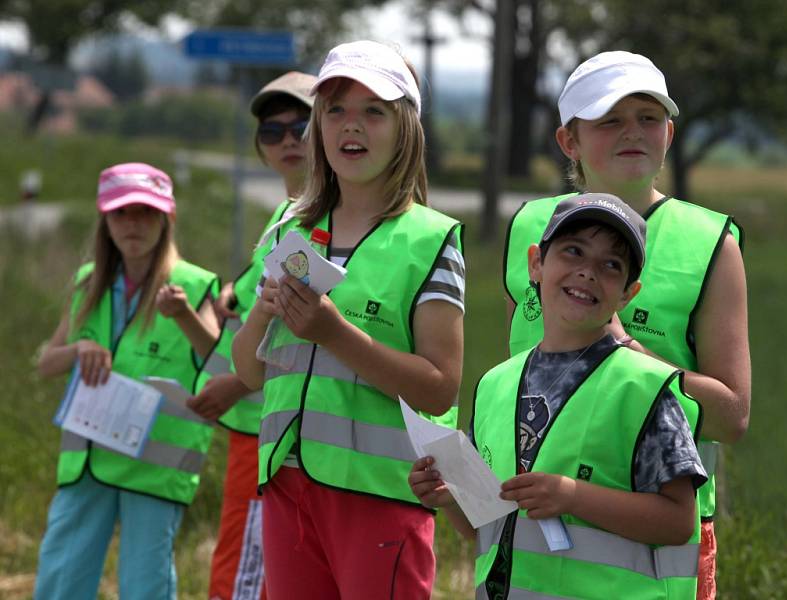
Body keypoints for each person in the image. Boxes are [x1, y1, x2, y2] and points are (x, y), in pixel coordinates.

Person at [503, 51, 750, 598]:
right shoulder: (530, 226)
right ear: (569, 141)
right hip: (532, 525)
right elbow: (514, 379)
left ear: (669, 132)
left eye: (647, 117)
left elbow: (732, 416)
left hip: (656, 535)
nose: (632, 132)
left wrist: (627, 353)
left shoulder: (710, 242)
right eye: (609, 119)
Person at [232, 40, 465, 599]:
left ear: (405, 126)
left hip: (381, 496)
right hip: (287, 487)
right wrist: (263, 314)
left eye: (373, 111)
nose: (350, 126)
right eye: (335, 109)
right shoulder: (290, 230)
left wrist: (334, 333)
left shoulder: (432, 240)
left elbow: (439, 388)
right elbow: (249, 373)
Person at [411, 193, 707, 598]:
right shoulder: (495, 384)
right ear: (536, 263)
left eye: (610, 265)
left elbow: (677, 521)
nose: (587, 273)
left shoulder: (644, 388)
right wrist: (450, 499)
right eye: (573, 252)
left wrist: (572, 496)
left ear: (628, 294)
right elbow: (487, 528)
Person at [34, 162, 220, 599]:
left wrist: (185, 316)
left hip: (153, 470)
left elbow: (224, 365)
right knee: (60, 581)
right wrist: (78, 350)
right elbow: (46, 363)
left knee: (145, 587)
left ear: (166, 219)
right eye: (121, 213)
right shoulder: (87, 282)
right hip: (88, 462)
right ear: (105, 220)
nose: (132, 224)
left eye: (145, 212)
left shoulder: (194, 285)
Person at [190, 70, 317, 600]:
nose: (287, 139)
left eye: (301, 125)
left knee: (243, 573)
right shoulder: (284, 216)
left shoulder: (318, 218)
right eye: (271, 131)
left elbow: (304, 332)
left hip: (271, 427)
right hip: (258, 428)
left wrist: (234, 386)